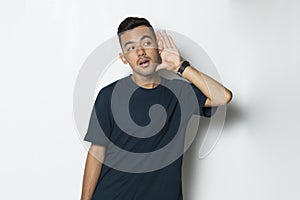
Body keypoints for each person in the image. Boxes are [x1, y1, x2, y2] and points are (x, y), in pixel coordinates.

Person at [81, 17, 232, 200]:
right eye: (131, 48)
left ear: (158, 47)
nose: (141, 52)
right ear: (124, 58)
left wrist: (180, 66)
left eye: (146, 43)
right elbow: (97, 152)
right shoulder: (109, 95)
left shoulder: (179, 93)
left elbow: (222, 97)